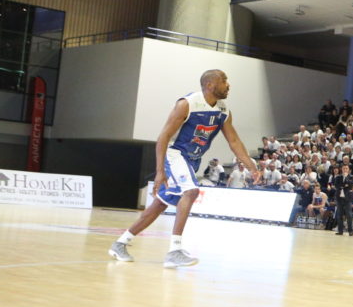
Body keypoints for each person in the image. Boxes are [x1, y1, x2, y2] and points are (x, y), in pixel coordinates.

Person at [109, 69, 260, 267]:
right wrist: (160, 171)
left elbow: (234, 141)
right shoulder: (187, 104)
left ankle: (120, 243)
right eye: (224, 80)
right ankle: (174, 251)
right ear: (210, 85)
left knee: (160, 204)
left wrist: (252, 167)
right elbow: (163, 137)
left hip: (191, 160)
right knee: (191, 191)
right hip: (174, 154)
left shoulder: (223, 111)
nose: (228, 85)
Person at [333, 164, 353, 236]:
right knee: (339, 214)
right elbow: (336, 185)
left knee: (349, 214)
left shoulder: (352, 177)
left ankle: (350, 231)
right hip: (339, 198)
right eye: (344, 168)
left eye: (346, 168)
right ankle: (340, 231)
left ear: (348, 170)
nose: (345, 170)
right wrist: (345, 185)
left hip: (348, 198)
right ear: (342, 169)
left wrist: (346, 179)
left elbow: (351, 185)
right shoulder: (338, 177)